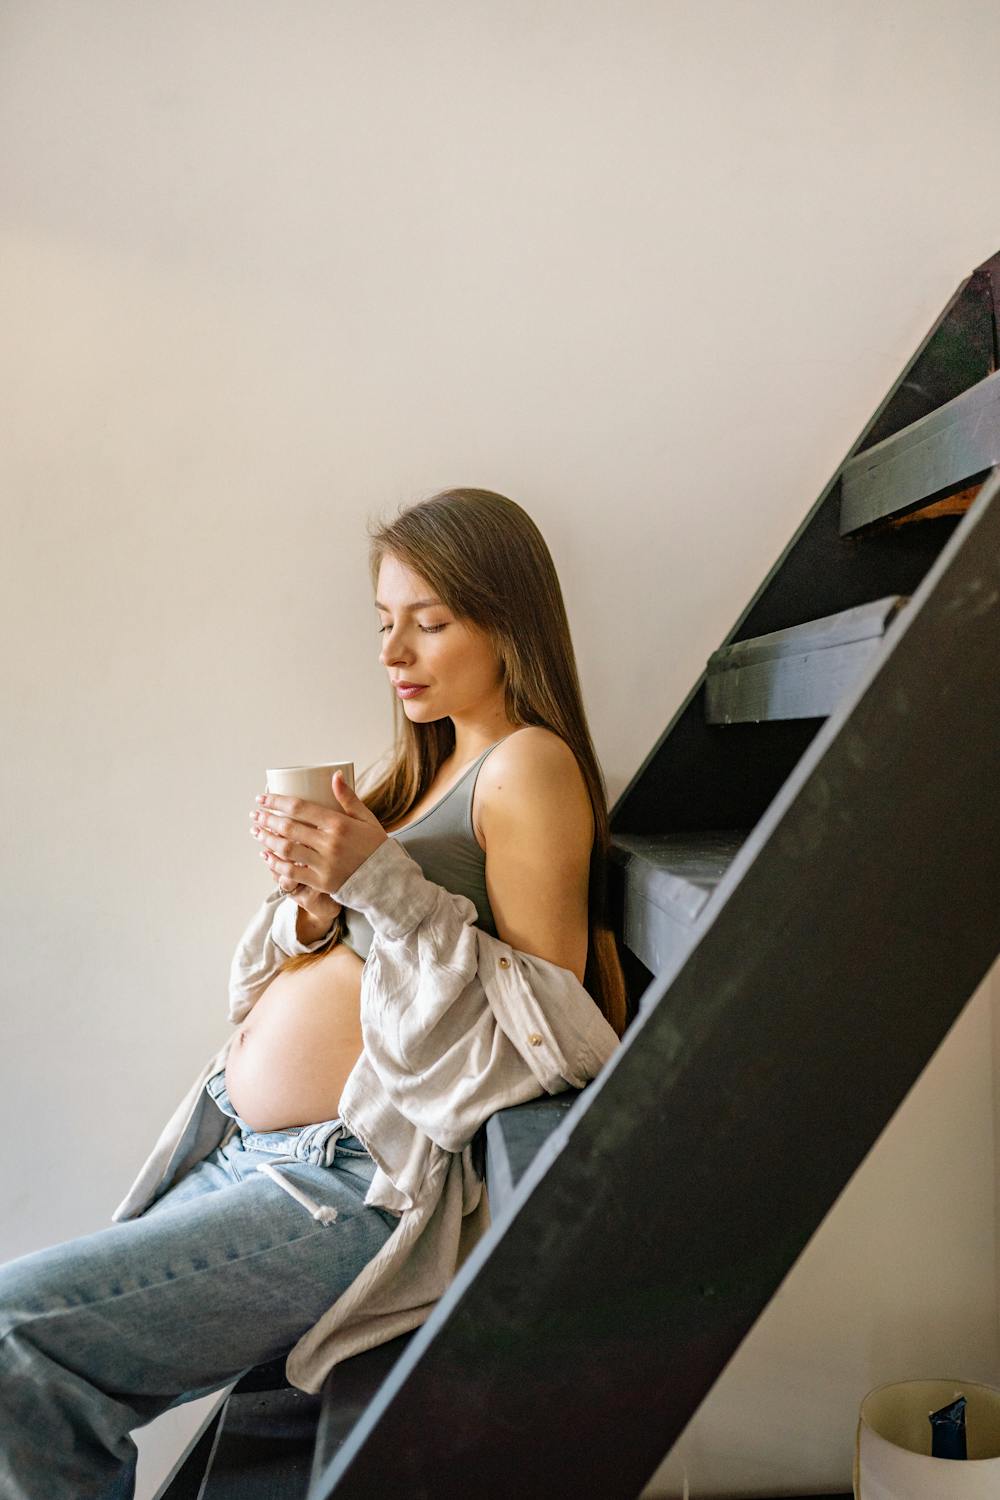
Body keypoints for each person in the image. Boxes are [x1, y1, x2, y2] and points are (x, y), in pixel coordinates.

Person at [0, 487, 626, 1500]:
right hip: (250, 1152)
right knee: (30, 1357)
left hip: (350, 1184)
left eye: (431, 622)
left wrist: (376, 882)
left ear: (509, 620)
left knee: (17, 1336)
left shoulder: (526, 767)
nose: (396, 654)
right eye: (386, 624)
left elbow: (544, 1029)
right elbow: (357, 956)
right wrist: (310, 907)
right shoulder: (418, 772)